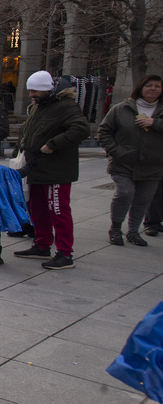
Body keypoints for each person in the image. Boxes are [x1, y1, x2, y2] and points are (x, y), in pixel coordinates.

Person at [12, 71, 90, 269]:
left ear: (48, 89)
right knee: (37, 209)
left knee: (58, 210)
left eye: (35, 90)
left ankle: (65, 253)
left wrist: (54, 144)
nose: (31, 94)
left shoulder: (66, 106)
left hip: (56, 169)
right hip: (37, 167)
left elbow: (81, 128)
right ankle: (42, 244)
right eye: (30, 90)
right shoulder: (41, 106)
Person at [97, 74, 163, 247]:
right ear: (141, 87)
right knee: (125, 193)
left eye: (157, 86)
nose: (153, 89)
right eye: (149, 85)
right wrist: (115, 151)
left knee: (143, 199)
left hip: (153, 165)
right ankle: (115, 229)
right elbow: (104, 131)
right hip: (123, 163)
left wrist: (154, 123)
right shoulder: (122, 108)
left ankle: (133, 231)